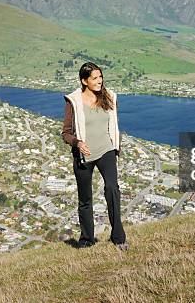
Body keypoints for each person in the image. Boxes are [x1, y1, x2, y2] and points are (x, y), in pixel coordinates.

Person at [61, 62, 128, 251]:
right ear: (84, 81)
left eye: (101, 77)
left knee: (112, 189)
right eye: (95, 78)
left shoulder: (109, 97)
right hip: (84, 155)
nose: (99, 81)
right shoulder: (73, 101)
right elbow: (66, 133)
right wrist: (77, 143)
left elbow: (113, 124)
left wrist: (116, 145)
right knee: (85, 200)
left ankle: (119, 238)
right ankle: (87, 240)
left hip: (106, 150)